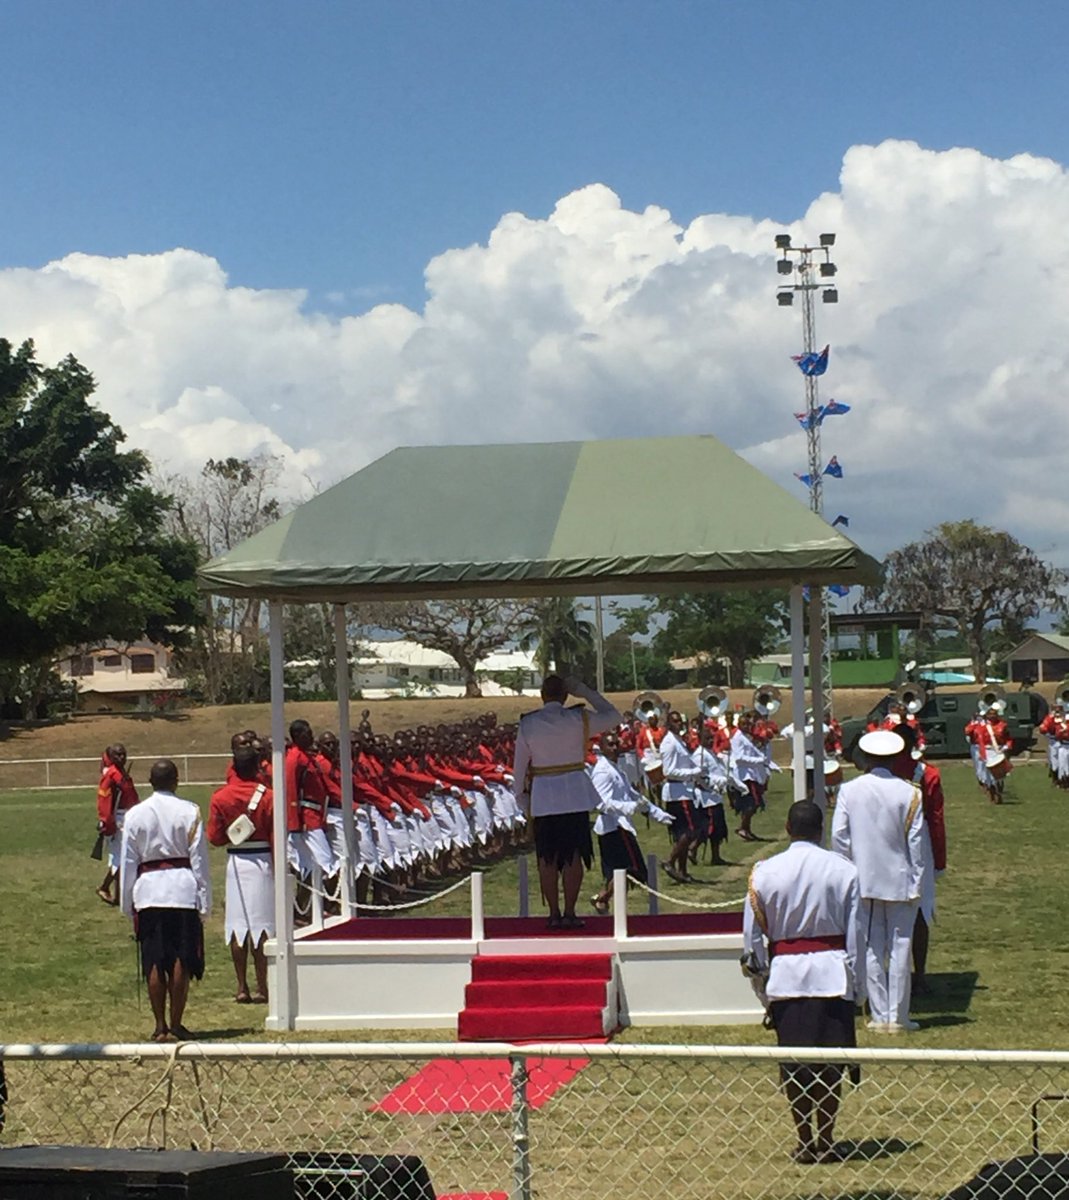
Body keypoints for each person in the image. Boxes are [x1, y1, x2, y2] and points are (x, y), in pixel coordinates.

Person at [743, 800, 864, 1164]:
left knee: (794, 1064)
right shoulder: (844, 871)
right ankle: (826, 1139)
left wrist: (762, 984)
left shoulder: (764, 872)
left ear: (787, 827)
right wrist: (856, 985)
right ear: (821, 829)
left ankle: (805, 1138)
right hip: (832, 974)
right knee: (830, 1065)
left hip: (786, 977)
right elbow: (857, 935)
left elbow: (751, 940)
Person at [831, 729, 924, 1033]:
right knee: (900, 946)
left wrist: (848, 870)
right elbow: (916, 844)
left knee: (871, 947)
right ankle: (899, 1016)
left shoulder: (850, 790)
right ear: (896, 758)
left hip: (863, 879)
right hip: (900, 880)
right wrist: (918, 883)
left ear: (866, 758)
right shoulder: (910, 792)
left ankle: (880, 1014)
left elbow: (839, 837)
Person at [513, 674, 619, 929]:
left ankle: (553, 913)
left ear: (542, 695)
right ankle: (570, 912)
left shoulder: (529, 723)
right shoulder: (578, 718)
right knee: (573, 856)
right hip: (573, 794)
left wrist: (521, 796)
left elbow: (519, 766)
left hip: (544, 796)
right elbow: (614, 715)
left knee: (547, 858)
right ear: (565, 695)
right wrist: (583, 690)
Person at [120, 759, 211, 1042]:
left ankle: (159, 1025)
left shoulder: (135, 814)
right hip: (182, 889)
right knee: (181, 958)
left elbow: (128, 861)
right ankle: (176, 1023)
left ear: (150, 781)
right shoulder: (190, 811)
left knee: (154, 960)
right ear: (176, 780)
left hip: (149, 892)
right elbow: (200, 861)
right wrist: (204, 900)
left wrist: (127, 901)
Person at [207, 745, 274, 1004]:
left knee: (237, 926)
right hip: (262, 860)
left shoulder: (220, 797)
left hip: (236, 861)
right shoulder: (268, 796)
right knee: (263, 926)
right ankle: (263, 986)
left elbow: (215, 838)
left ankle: (241, 986)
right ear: (258, 767)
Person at [588, 732, 673, 914]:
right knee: (631, 870)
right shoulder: (603, 771)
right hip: (613, 828)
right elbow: (601, 803)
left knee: (621, 872)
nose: (615, 748)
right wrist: (629, 807)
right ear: (602, 748)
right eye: (610, 745)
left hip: (620, 826)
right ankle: (604, 899)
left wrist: (655, 812)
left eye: (616, 744)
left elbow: (634, 796)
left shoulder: (617, 769)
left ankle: (604, 900)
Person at [891, 725, 947, 995]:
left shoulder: (878, 774)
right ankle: (919, 973)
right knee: (920, 911)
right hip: (919, 843)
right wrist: (939, 859)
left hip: (886, 842)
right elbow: (936, 819)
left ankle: (889, 973)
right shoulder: (929, 774)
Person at [659, 710, 703, 882]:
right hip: (677, 792)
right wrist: (692, 772)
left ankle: (683, 871)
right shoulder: (669, 743)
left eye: (680, 721)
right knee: (691, 830)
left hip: (684, 790)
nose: (679, 724)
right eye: (675, 721)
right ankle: (670, 860)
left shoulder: (679, 741)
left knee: (684, 833)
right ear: (669, 724)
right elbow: (668, 770)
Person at [95, 744, 139, 905]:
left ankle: (119, 895)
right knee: (121, 858)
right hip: (117, 819)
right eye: (117, 755)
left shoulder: (122, 773)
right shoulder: (111, 776)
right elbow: (104, 801)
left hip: (128, 817)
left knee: (124, 856)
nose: (121, 758)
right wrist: (108, 822)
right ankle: (104, 887)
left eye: (123, 754)